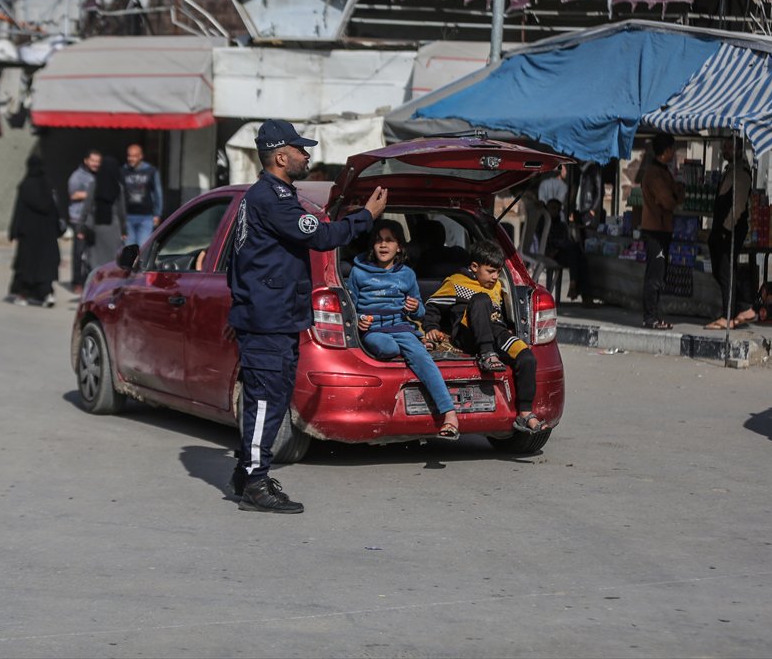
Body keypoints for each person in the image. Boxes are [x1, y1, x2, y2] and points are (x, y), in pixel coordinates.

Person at [227, 119, 386, 514]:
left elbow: (243, 259)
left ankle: (247, 472)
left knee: (271, 396)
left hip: (272, 316)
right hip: (268, 320)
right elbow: (320, 237)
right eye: (300, 150)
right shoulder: (272, 198)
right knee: (266, 399)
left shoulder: (269, 196)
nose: (307, 155)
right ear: (281, 156)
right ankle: (256, 483)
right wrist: (366, 215)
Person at [347, 219, 459, 440]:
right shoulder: (358, 272)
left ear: (399, 246)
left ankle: (450, 414)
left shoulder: (406, 273)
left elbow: (419, 312)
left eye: (389, 240)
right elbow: (350, 306)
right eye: (378, 240)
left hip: (401, 326)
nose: (383, 245)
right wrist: (359, 320)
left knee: (424, 359)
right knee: (387, 347)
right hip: (374, 330)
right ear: (372, 245)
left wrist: (416, 307)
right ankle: (414, 348)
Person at [422, 239, 545, 434]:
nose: (496, 277)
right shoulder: (455, 283)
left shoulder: (496, 286)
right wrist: (430, 327)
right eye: (490, 271)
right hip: (467, 335)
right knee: (481, 299)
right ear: (474, 267)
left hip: (496, 332)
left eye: (498, 271)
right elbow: (432, 306)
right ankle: (487, 354)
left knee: (527, 357)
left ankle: (525, 413)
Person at [706, 139, 757, 330]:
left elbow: (738, 205)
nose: (725, 150)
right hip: (723, 229)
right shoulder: (732, 170)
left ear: (738, 149)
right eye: (725, 146)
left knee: (726, 271)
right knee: (723, 271)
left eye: (729, 146)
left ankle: (730, 314)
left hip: (731, 230)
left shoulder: (741, 173)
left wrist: (726, 229)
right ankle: (738, 309)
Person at [639, 133, 685, 330]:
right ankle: (651, 317)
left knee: (659, 275)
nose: (673, 153)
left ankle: (655, 315)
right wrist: (676, 195)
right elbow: (668, 200)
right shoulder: (654, 173)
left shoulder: (662, 171)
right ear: (666, 151)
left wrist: (677, 192)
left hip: (662, 228)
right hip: (655, 229)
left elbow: (675, 193)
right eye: (672, 150)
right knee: (655, 276)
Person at [7, 155, 61, 307]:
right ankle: (47, 295)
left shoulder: (26, 186)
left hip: (28, 235)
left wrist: (14, 230)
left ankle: (23, 295)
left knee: (27, 266)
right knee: (45, 266)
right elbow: (55, 211)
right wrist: (58, 230)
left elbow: (19, 210)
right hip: (47, 235)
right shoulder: (48, 186)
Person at [82, 154, 128, 272]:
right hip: (114, 227)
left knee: (96, 258)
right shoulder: (118, 187)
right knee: (112, 259)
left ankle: (96, 282)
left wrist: (80, 228)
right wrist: (124, 230)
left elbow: (86, 207)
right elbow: (121, 211)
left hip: (97, 226)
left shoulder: (94, 185)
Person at [544, 198, 591, 301]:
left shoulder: (562, 225)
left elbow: (567, 240)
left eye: (557, 209)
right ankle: (581, 292)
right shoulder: (545, 225)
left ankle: (577, 289)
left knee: (581, 257)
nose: (554, 211)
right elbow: (545, 245)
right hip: (552, 255)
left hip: (564, 254)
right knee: (576, 253)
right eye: (552, 208)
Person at [68, 149, 101, 292]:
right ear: (86, 161)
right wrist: (92, 194)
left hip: (94, 219)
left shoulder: (100, 175)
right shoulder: (77, 176)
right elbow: (73, 195)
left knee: (92, 252)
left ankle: (90, 279)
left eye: (98, 161)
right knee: (79, 252)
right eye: (93, 160)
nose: (95, 164)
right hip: (79, 218)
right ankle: (77, 282)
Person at [121, 144, 163, 248]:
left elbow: (158, 193)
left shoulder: (151, 171)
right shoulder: (122, 171)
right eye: (129, 156)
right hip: (128, 216)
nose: (131, 159)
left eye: (134, 156)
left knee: (143, 247)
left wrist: (157, 214)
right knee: (129, 249)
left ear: (141, 156)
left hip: (146, 216)